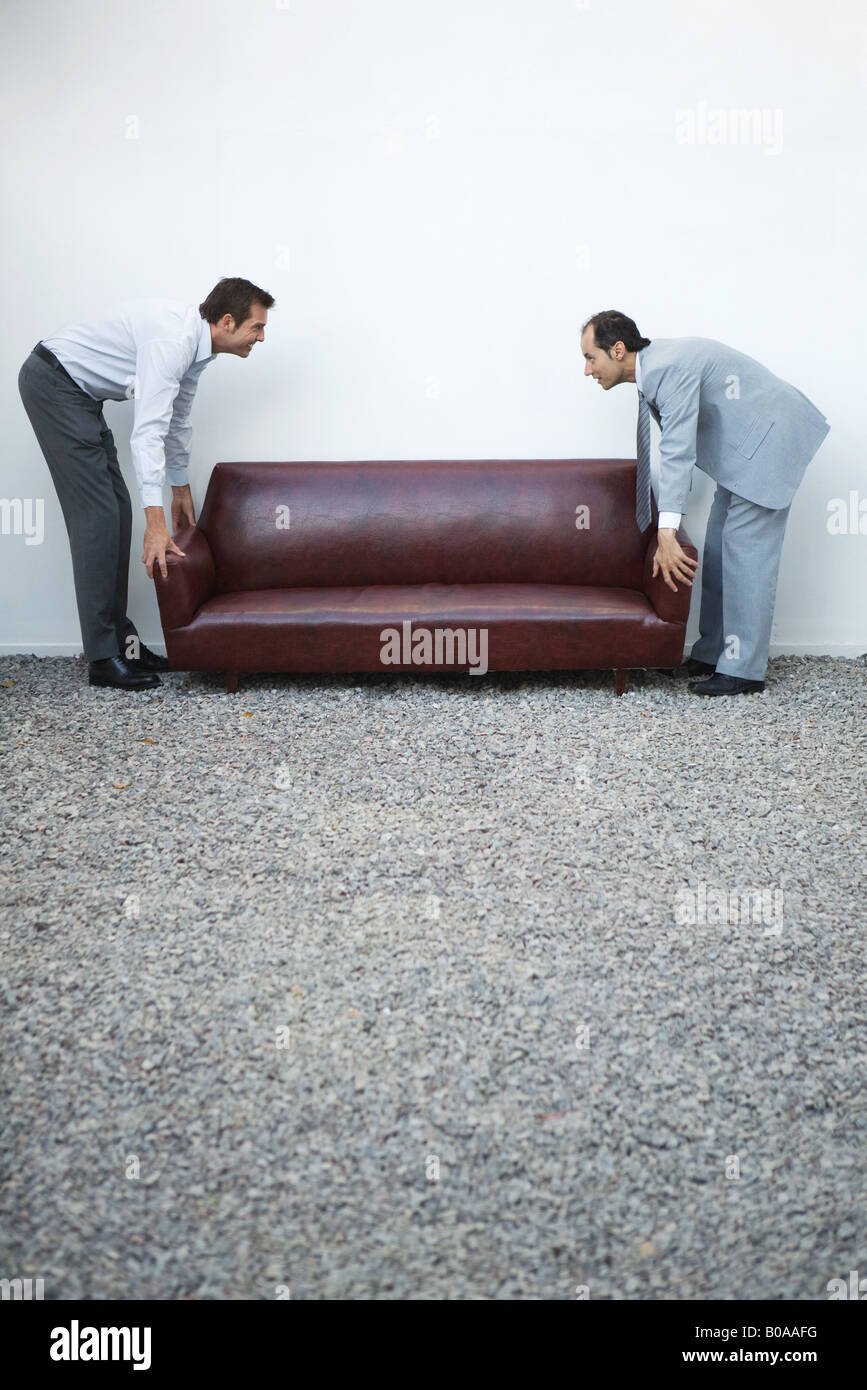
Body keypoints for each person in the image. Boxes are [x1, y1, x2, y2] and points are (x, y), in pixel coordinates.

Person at [17, 276, 275, 690]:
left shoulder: (197, 350)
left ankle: (126, 648)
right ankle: (104, 658)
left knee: (117, 511)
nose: (261, 337)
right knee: (98, 520)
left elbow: (177, 420)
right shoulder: (173, 343)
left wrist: (179, 489)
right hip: (55, 385)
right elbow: (149, 432)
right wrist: (155, 522)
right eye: (257, 327)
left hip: (82, 397)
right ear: (228, 322)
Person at [580, 310, 830, 696]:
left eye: (589, 358)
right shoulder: (654, 368)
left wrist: (666, 533)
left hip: (767, 447)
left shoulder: (665, 369)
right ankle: (715, 651)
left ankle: (743, 670)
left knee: (746, 556)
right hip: (744, 453)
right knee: (717, 549)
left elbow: (678, 450)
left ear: (616, 350)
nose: (587, 370)